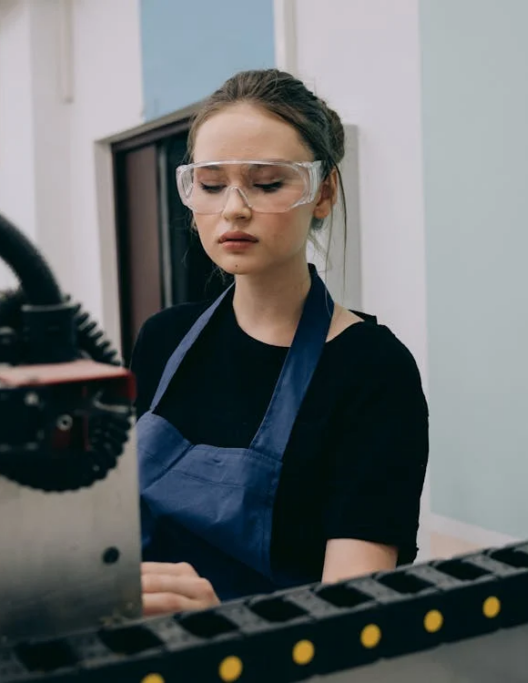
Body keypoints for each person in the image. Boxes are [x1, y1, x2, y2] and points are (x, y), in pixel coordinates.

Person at [130, 68, 429, 616]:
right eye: (212, 184)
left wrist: (218, 624)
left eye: (267, 183)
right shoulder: (162, 340)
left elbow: (352, 612)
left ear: (323, 193)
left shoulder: (372, 370)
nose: (234, 209)